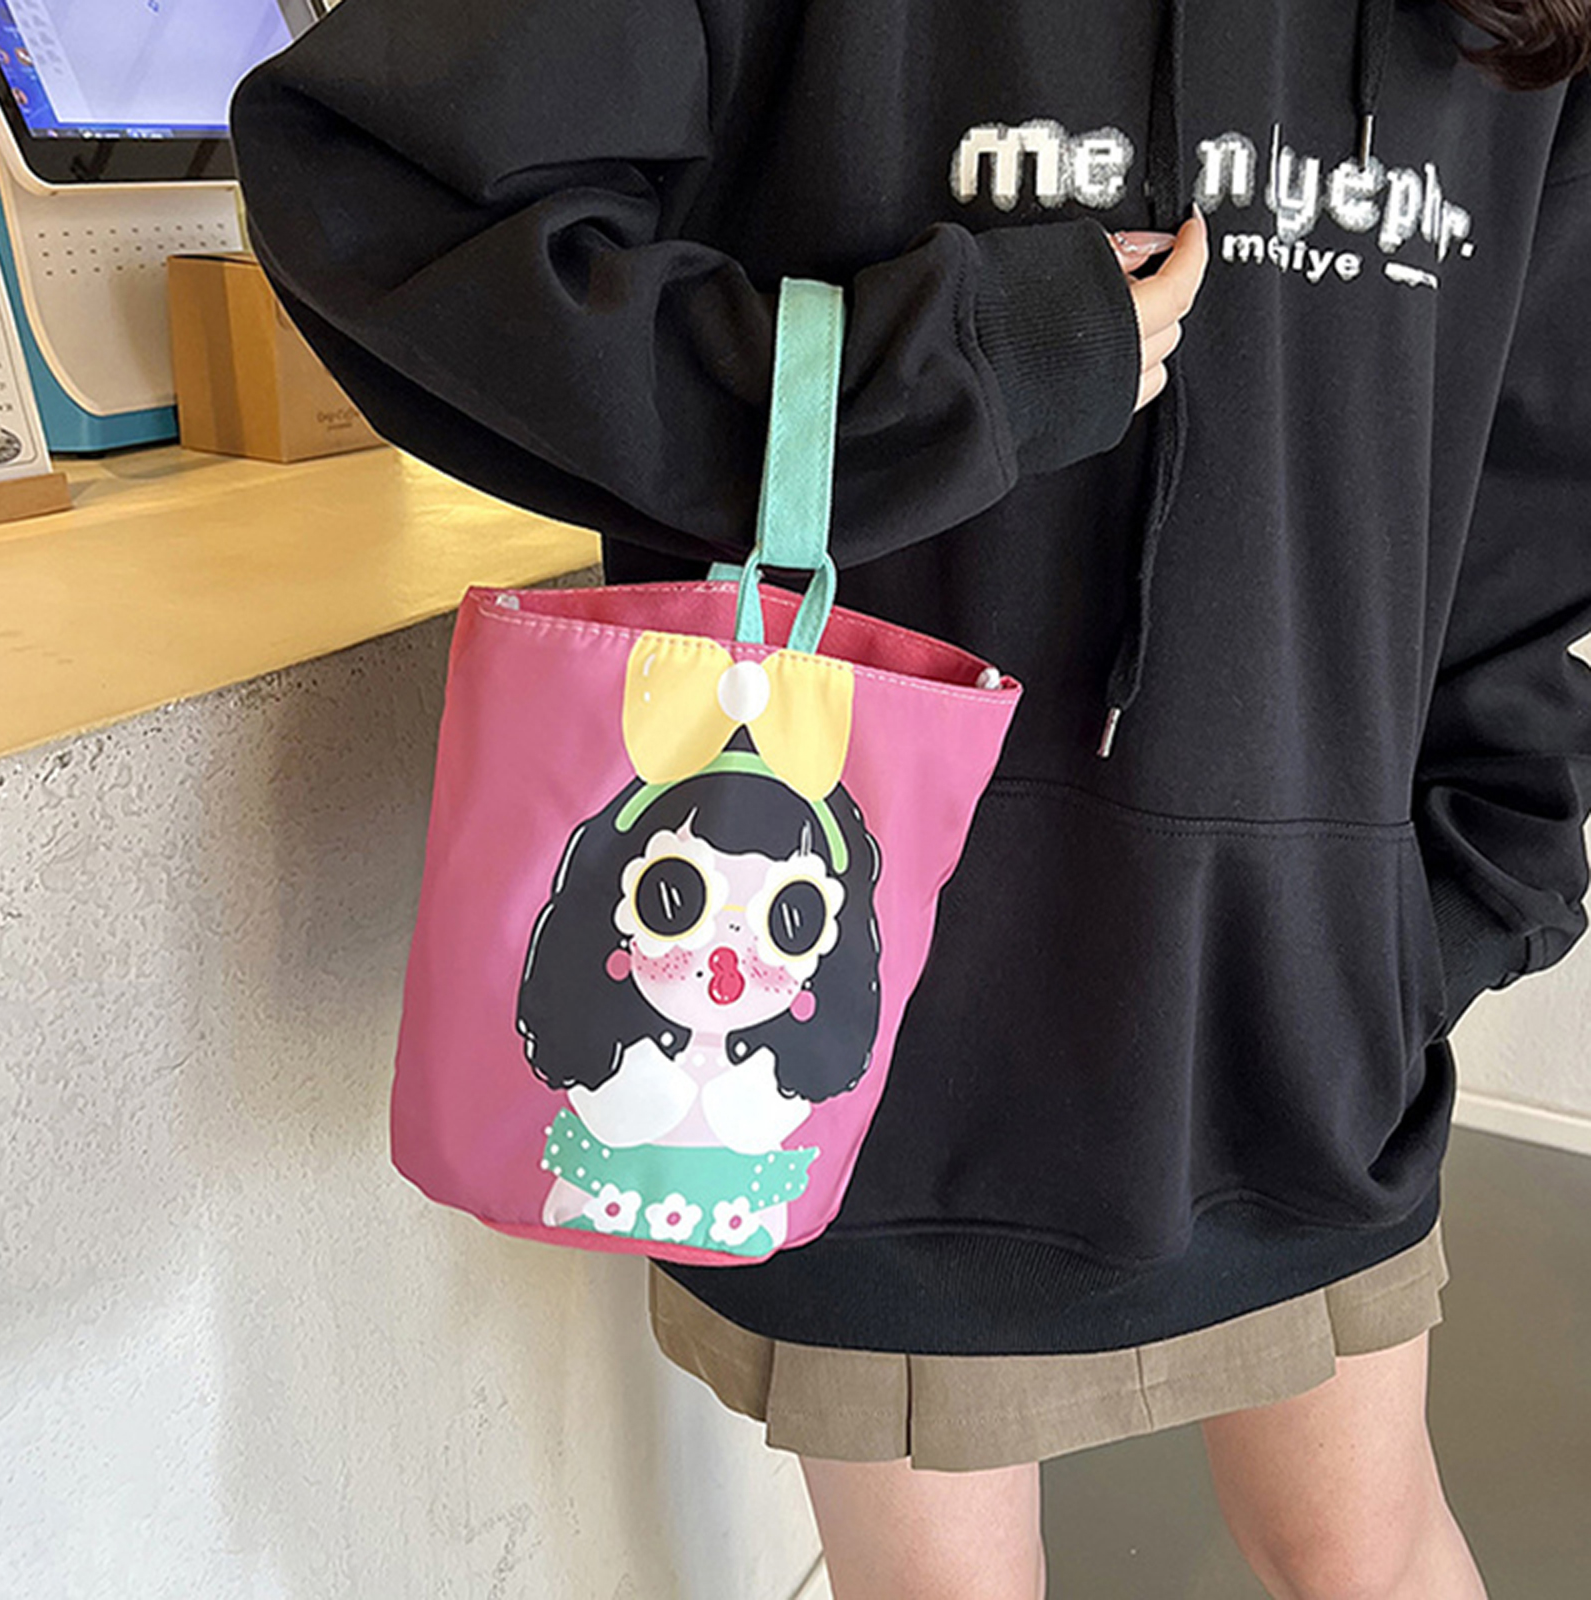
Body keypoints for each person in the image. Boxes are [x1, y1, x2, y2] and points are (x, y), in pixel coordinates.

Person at [229, 2, 1591, 1595]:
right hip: (862, 1019)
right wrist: (931, 379)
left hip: (1309, 1010)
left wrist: (1458, 890)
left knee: (1370, 1556)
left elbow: (1532, 468)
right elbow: (376, 179)